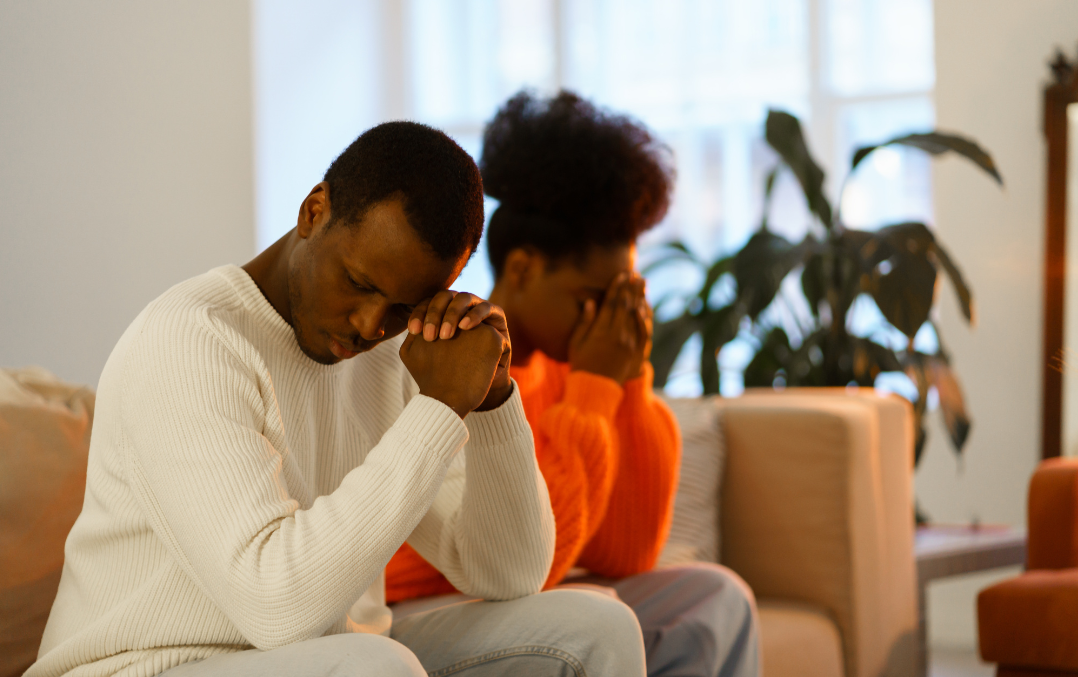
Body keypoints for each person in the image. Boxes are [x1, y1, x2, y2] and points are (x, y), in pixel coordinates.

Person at [28, 122, 647, 677]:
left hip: (333, 656)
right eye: (357, 282)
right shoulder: (191, 341)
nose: (371, 325)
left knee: (597, 626)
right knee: (372, 666)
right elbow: (275, 606)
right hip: (146, 665)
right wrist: (436, 411)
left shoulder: (394, 352)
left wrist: (491, 399)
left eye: (403, 307)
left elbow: (510, 572)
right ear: (313, 211)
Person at [386, 93, 761, 677]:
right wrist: (594, 388)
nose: (607, 320)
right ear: (523, 269)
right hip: (428, 604)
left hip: (528, 599)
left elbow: (626, 551)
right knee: (595, 612)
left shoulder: (581, 371)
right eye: (593, 298)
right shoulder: (445, 359)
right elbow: (532, 564)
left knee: (715, 598)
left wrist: (627, 378)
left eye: (622, 298)